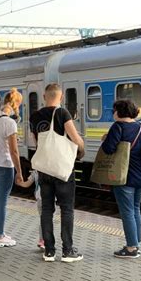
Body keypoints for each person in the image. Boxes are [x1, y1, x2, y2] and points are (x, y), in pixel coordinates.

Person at [30, 83, 85, 262]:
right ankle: (68, 251)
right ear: (60, 97)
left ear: (45, 96)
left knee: (47, 209)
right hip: (62, 169)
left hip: (44, 168)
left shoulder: (35, 116)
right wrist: (81, 149)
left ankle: (49, 251)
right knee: (67, 209)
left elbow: (36, 141)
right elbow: (75, 138)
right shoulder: (62, 113)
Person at [101, 99, 141, 259]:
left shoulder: (118, 127)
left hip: (124, 176)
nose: (113, 113)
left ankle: (130, 248)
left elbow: (108, 149)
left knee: (127, 211)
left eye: (114, 110)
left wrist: (106, 139)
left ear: (120, 112)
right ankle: (136, 244)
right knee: (135, 209)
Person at [0, 88, 24, 248]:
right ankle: (0, 236)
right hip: (5, 166)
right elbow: (14, 151)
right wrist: (20, 172)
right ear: (15, 104)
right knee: (2, 201)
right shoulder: (10, 122)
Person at [17, 170, 44, 250]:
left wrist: (20, 183)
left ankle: (42, 240)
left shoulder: (35, 172)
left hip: (39, 199)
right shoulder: (51, 169)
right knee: (48, 220)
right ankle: (46, 240)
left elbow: (27, 184)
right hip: (50, 199)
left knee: (42, 219)